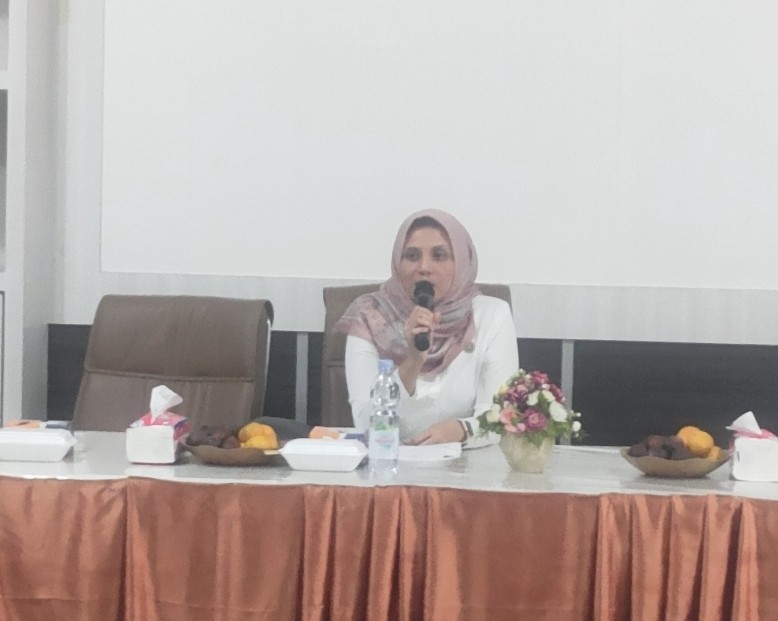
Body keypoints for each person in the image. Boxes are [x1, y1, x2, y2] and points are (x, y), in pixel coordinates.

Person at [335, 209, 519, 447]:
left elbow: (499, 418)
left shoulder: (491, 315)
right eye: (412, 256)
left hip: (465, 461)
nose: (424, 267)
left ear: (462, 262)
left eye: (439, 256)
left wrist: (462, 430)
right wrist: (413, 361)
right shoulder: (370, 316)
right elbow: (366, 423)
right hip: (388, 460)